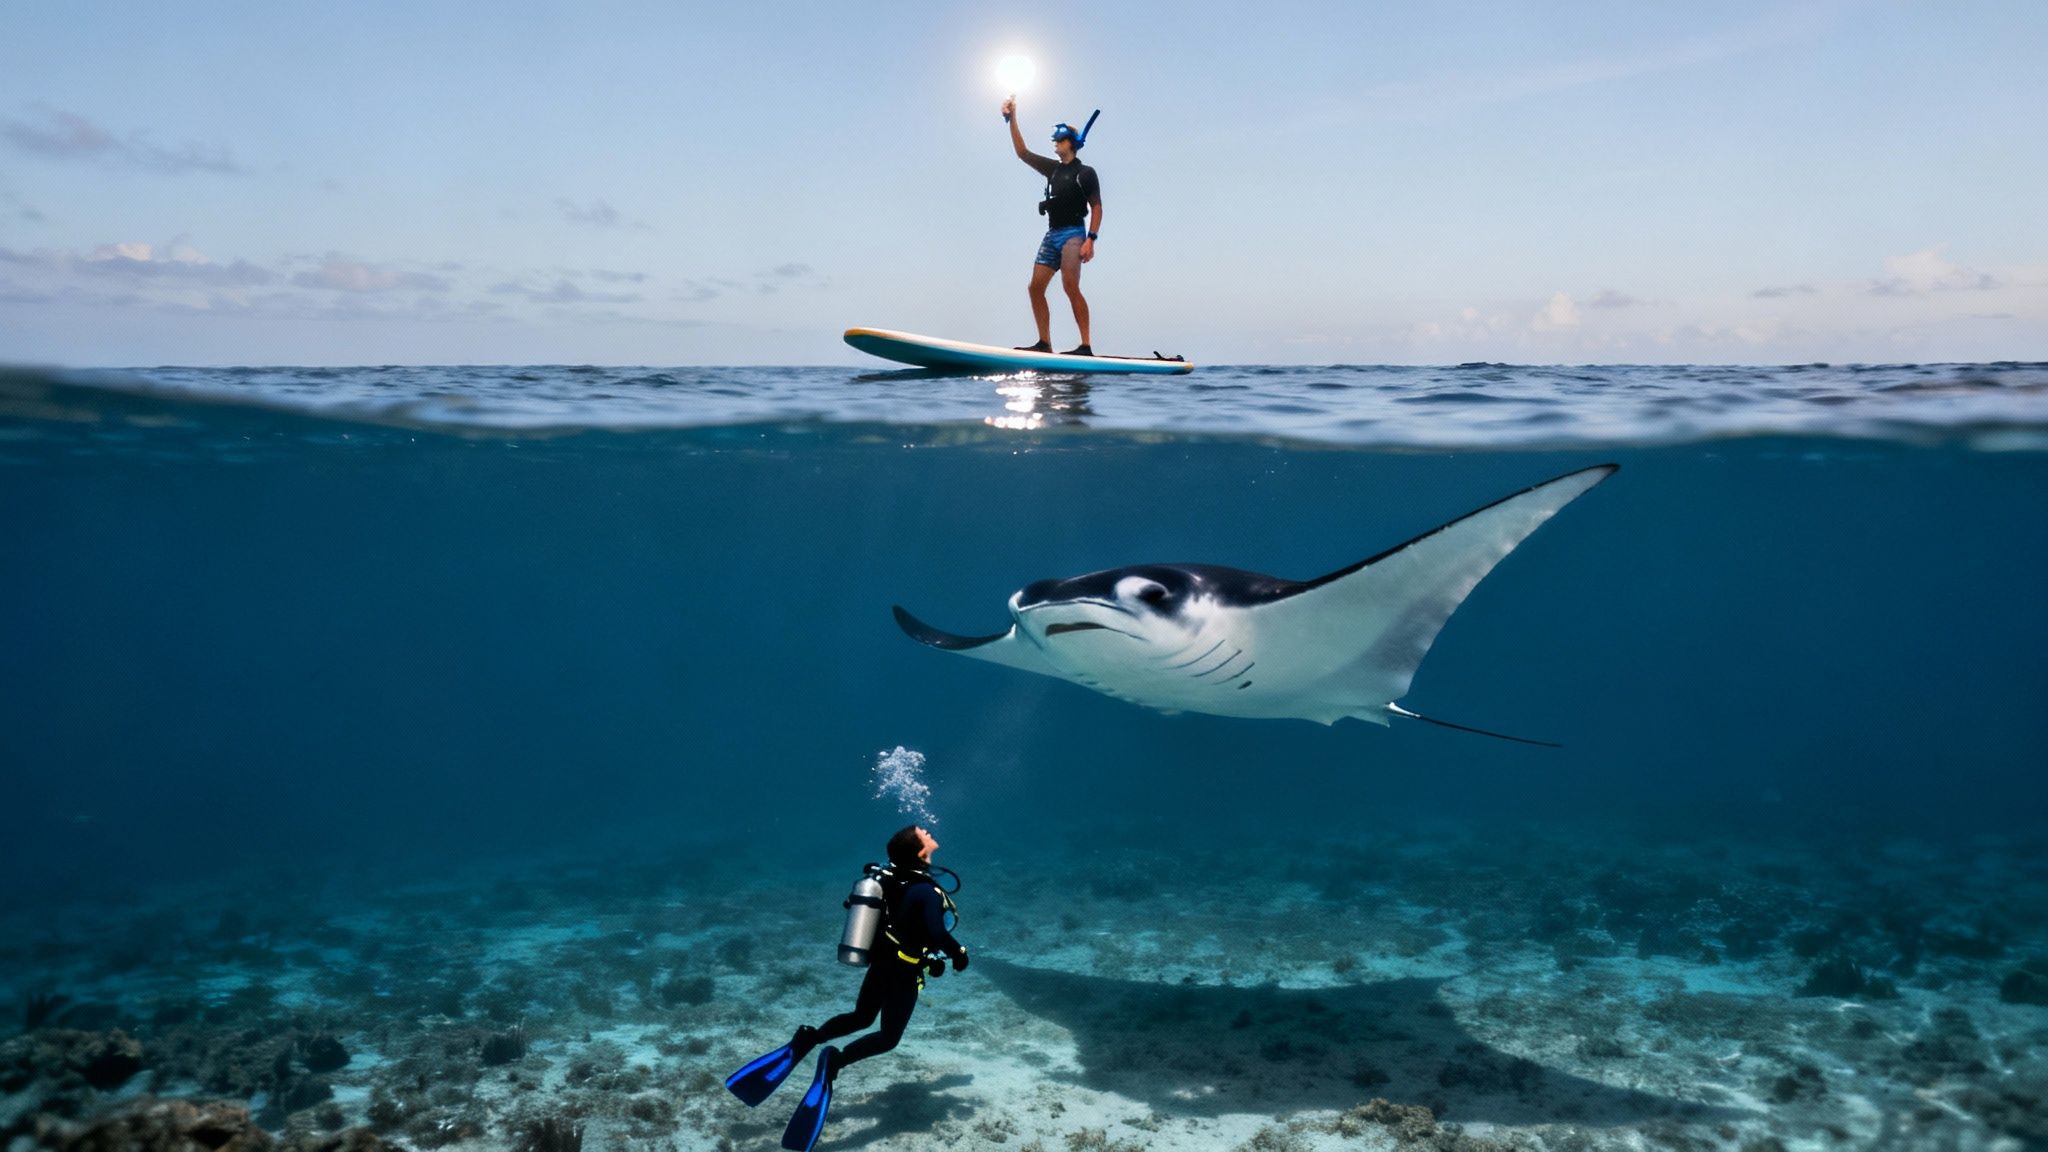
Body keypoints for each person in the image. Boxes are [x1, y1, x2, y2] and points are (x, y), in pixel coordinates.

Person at [724, 825, 969, 1151]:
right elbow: (937, 933)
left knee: (860, 1017)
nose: (926, 830)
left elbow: (908, 926)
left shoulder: (890, 878)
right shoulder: (926, 891)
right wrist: (958, 953)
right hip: (903, 973)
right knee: (887, 1037)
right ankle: (833, 1063)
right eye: (921, 833)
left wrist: (932, 952)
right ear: (919, 852)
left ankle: (808, 1039)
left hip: (882, 964)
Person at [1003, 98, 1102, 356]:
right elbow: (1022, 152)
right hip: (1052, 235)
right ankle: (1044, 343)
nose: (1055, 142)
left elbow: (1097, 207)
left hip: (1074, 234)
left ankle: (1085, 346)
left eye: (1060, 138)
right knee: (1035, 288)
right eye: (1054, 139)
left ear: (1072, 142)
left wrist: (1091, 239)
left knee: (1070, 286)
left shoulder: (1086, 173)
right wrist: (1013, 117)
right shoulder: (1052, 170)